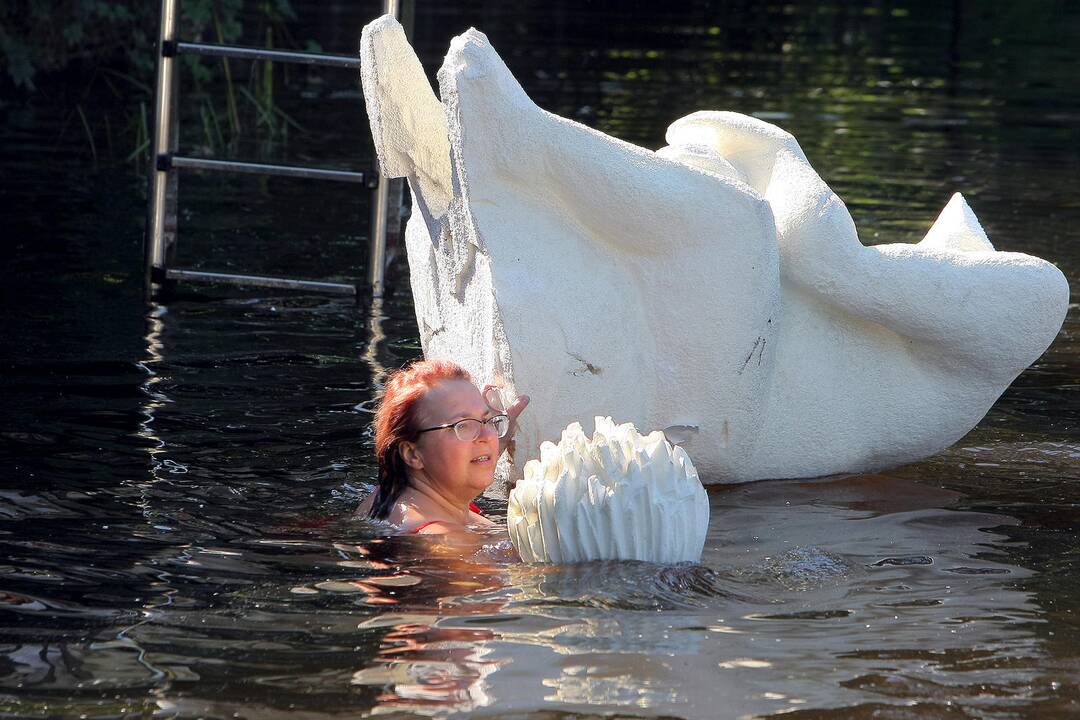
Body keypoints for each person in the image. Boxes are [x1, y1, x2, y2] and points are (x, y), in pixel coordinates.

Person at [357, 359, 529, 534]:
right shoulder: (445, 541)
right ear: (412, 454)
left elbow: (449, 462)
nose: (487, 436)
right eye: (462, 425)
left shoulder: (390, 494)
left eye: (486, 420)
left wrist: (498, 436)